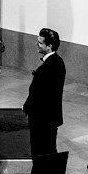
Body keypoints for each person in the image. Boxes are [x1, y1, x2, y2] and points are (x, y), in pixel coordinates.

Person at [22, 28, 66, 157]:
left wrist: (26, 107)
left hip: (42, 120)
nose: (37, 44)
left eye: (40, 42)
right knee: (48, 153)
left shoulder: (47, 68)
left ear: (49, 46)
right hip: (50, 117)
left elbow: (38, 94)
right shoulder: (58, 62)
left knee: (41, 153)